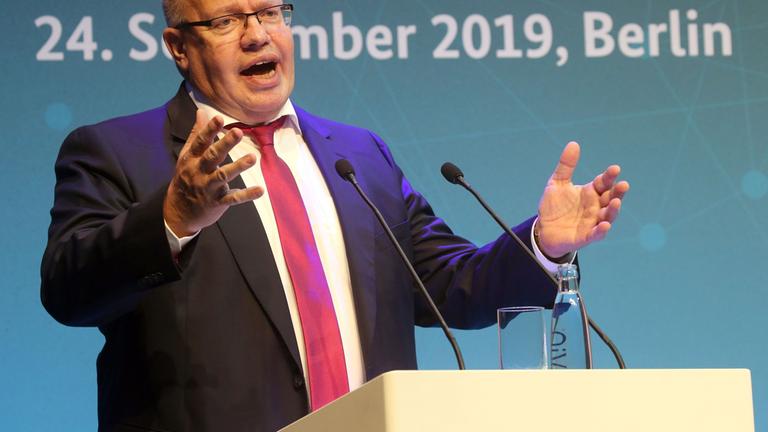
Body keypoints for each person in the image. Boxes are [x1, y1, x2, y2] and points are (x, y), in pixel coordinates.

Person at [40, 1, 629, 431]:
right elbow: (70, 289)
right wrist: (174, 216)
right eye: (225, 21)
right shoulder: (116, 152)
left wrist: (541, 244)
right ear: (178, 47)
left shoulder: (359, 155)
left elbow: (451, 287)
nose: (256, 35)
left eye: (270, 13)